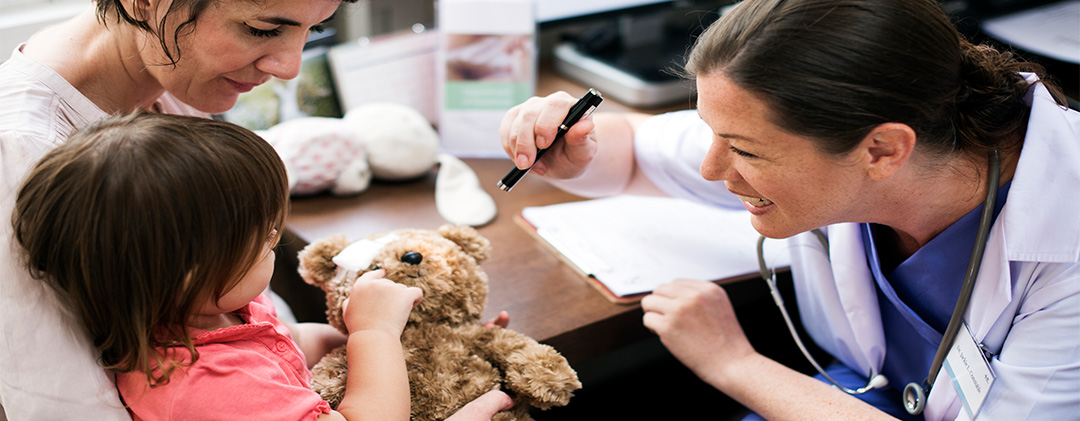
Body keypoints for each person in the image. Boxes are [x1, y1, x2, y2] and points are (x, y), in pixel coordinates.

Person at [499, 0, 1079, 419]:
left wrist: (734, 364)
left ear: (882, 150)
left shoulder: (1067, 244)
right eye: (710, 131)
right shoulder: (869, 127)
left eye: (746, 150)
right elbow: (628, 153)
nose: (711, 168)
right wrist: (573, 149)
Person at [0, 0, 509, 418]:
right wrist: (377, 340)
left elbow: (274, 342)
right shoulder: (19, 153)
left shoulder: (175, 77)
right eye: (262, 28)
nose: (290, 68)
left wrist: (419, 343)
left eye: (315, 27)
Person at [10, 111, 423, 419]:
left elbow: (287, 343)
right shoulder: (205, 384)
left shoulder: (211, 310)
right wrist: (375, 334)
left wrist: (351, 337)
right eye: (263, 238)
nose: (275, 241)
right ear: (193, 272)